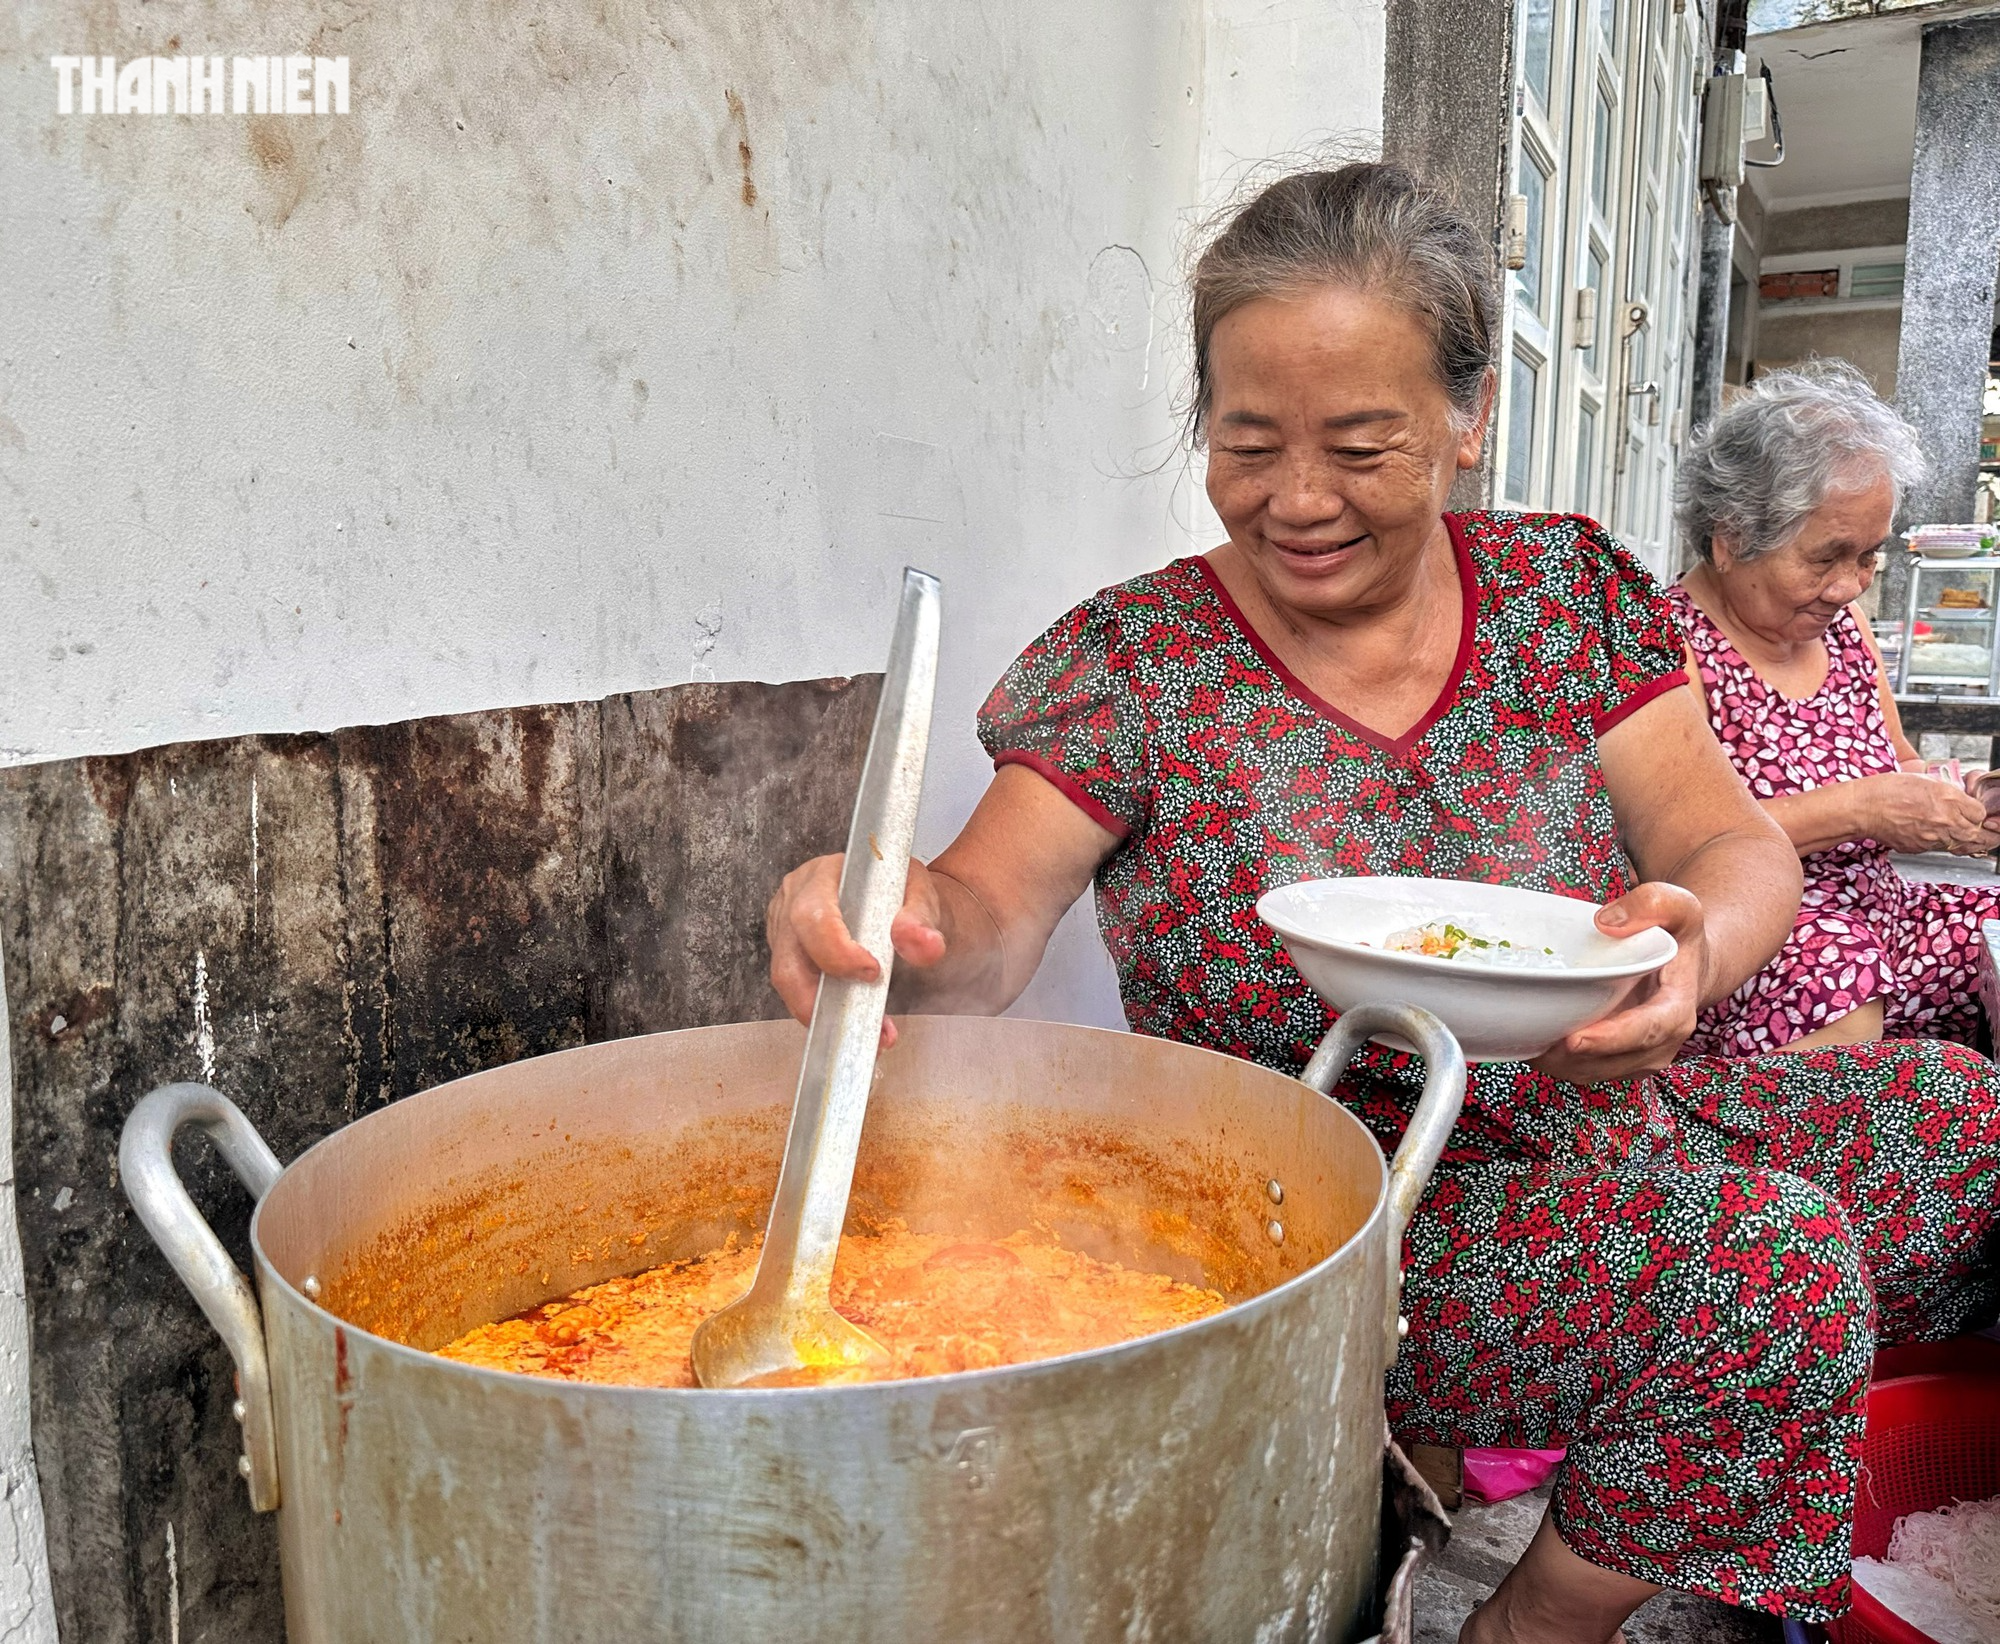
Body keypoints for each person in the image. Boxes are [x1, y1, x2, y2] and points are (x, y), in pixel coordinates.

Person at [767, 165, 2000, 1643]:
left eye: (1360, 446)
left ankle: (1725, 1466)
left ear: (1467, 421)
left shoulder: (1562, 598)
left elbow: (1736, 848)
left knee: (1966, 1127)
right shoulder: (1139, 659)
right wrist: (884, 913)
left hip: (1600, 1115)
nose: (1297, 500)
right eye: (1246, 443)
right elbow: (982, 924)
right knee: (1767, 1265)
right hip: (1329, 1203)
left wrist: (1696, 954)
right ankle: (1532, 1620)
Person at [1667, 361, 2000, 1056]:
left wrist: (1960, 804)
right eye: (1826, 558)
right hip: (1755, 941)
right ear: (1730, 539)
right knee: (1836, 974)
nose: (1850, 587)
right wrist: (1864, 809)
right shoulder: (1668, 646)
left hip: (1884, 919)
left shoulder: (1843, 632)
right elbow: (1667, 844)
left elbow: (1899, 764)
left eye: (1870, 557)